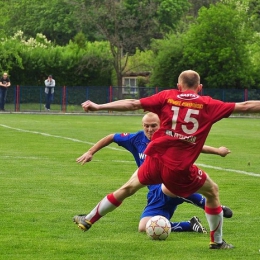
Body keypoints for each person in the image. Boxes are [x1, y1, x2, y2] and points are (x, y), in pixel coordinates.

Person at [74, 70, 260, 249]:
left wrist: (99, 106)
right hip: (178, 167)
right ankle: (217, 242)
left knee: (128, 188)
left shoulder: (167, 97)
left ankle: (89, 218)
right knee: (212, 191)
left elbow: (132, 103)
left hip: (154, 158)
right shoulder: (208, 104)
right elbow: (245, 106)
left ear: (179, 85)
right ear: (200, 87)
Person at [75, 112, 232, 233]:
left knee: (167, 186)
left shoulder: (169, 136)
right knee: (144, 227)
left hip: (171, 184)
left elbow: (195, 145)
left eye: (153, 126)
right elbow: (111, 137)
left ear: (161, 124)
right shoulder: (135, 139)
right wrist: (90, 152)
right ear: (142, 125)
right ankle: (189, 225)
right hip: (155, 193)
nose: (149, 129)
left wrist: (218, 151)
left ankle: (208, 204)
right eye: (146, 126)